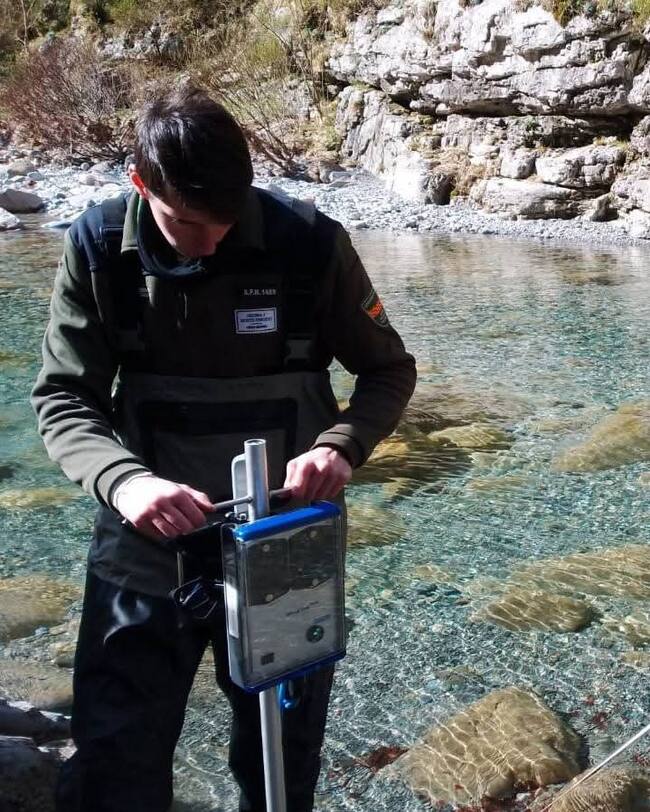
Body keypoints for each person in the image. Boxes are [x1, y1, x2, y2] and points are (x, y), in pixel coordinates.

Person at [32, 84, 416, 812]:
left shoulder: (310, 244)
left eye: (226, 219)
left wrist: (341, 447)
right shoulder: (96, 249)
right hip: (142, 554)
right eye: (185, 223)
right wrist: (125, 483)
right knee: (115, 759)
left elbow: (387, 370)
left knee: (280, 763)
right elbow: (63, 398)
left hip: (284, 548)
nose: (210, 241)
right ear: (140, 184)